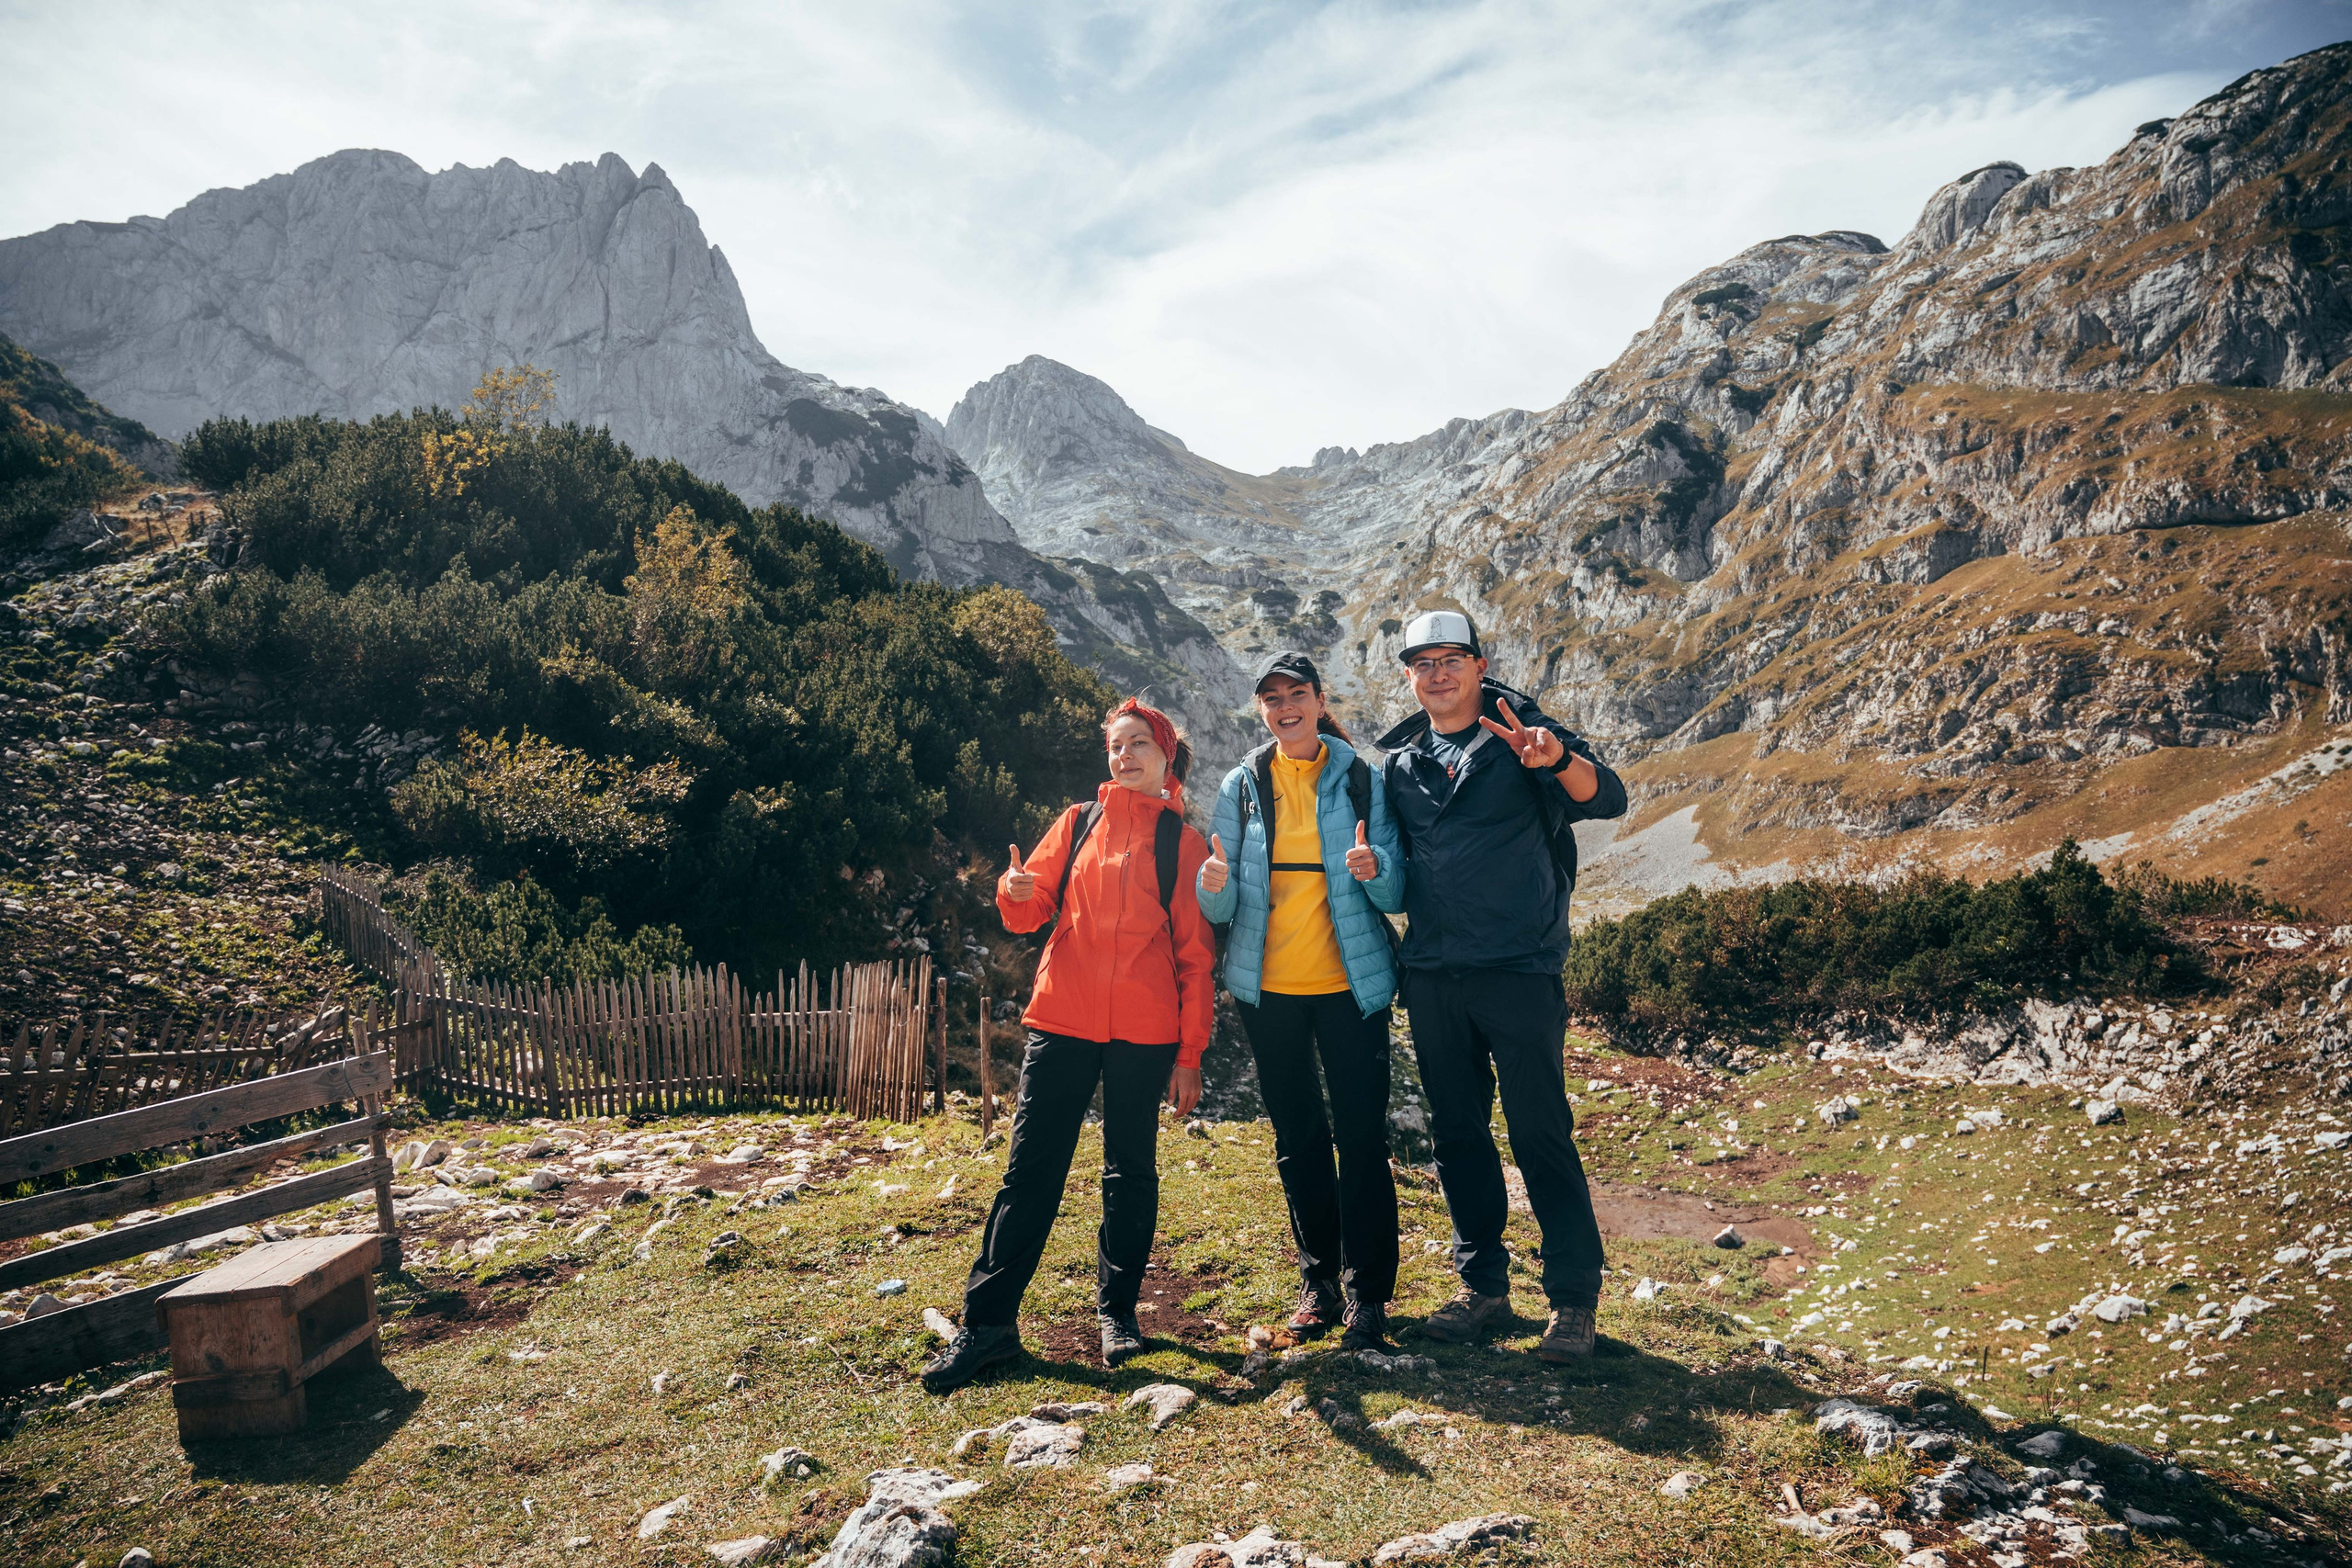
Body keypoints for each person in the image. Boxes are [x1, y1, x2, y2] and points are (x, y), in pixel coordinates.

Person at [921, 697, 1216, 1393]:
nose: (1125, 756)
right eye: (1116, 745)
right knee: (1030, 1172)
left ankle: (1118, 1315)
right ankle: (988, 1325)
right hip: (1063, 1018)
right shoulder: (1078, 822)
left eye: (1139, 743)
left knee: (1130, 1171)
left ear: (1165, 756)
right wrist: (1013, 887)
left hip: (1146, 1031)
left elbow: (1196, 958)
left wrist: (1190, 1053)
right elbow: (1028, 910)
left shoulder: (1184, 843)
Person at [1374, 609, 1627, 1361]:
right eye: (1423, 662)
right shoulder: (1402, 762)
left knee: (1540, 1128)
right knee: (1456, 1133)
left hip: (1519, 967)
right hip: (1434, 974)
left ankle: (1574, 1299)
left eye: (1452, 658)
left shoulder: (1525, 731)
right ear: (1409, 677)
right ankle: (1482, 1284)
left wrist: (1552, 759)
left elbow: (1606, 796)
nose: (1438, 673)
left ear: (1481, 665)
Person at [1197, 650, 1408, 1350]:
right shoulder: (1243, 783)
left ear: (1321, 701)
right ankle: (1319, 1283)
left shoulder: (1358, 779)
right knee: (1298, 1141)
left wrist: (1374, 871)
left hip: (1351, 989)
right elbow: (1218, 900)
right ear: (1262, 709)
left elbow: (1396, 891)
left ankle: (1369, 1294)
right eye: (1272, 698)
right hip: (1270, 993)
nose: (1285, 707)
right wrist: (1214, 884)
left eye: (1297, 694)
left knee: (1362, 1140)